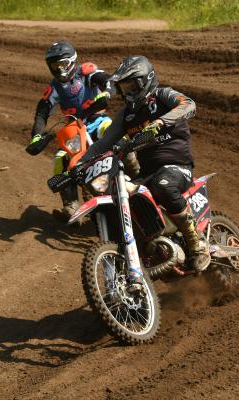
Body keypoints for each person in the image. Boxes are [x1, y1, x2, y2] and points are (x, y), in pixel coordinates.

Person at [80, 55, 211, 278]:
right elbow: (103, 143)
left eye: (132, 85)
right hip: (148, 173)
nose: (129, 91)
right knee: (121, 198)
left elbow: (189, 104)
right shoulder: (127, 115)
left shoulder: (162, 95)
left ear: (146, 80)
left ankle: (196, 243)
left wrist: (160, 122)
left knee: (163, 185)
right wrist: (78, 166)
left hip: (177, 165)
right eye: (124, 87)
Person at [25, 41, 114, 218]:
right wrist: (36, 136)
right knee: (60, 159)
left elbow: (107, 79)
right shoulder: (54, 88)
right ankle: (71, 206)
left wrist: (107, 92)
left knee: (111, 131)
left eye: (63, 64)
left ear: (72, 61)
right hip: (75, 129)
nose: (60, 70)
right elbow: (42, 113)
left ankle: (135, 169)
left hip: (98, 120)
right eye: (55, 66)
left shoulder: (86, 71)